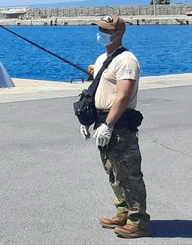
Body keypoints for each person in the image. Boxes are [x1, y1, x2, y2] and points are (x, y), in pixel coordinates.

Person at [81, 14, 150, 238]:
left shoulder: (127, 60)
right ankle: (123, 211)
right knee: (113, 171)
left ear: (118, 34)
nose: (100, 33)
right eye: (100, 28)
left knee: (129, 173)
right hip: (102, 121)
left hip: (119, 124)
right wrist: (88, 121)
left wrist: (109, 124)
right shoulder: (103, 58)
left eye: (106, 30)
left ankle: (138, 221)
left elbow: (123, 96)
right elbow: (98, 90)